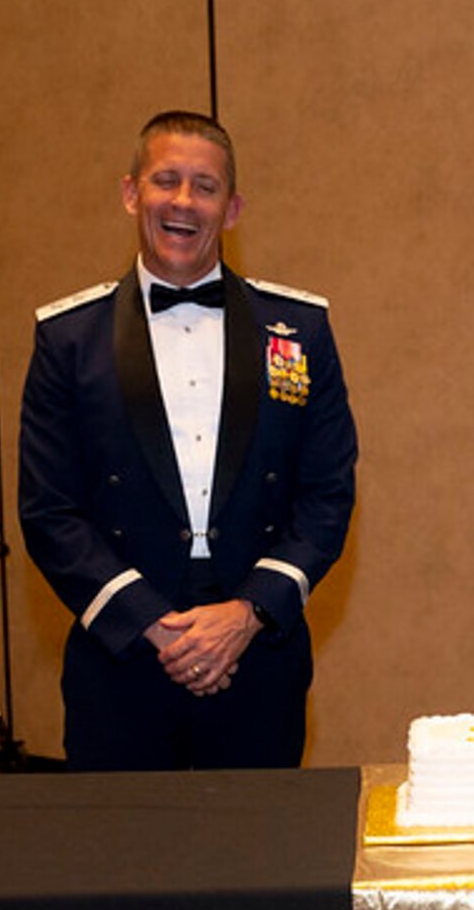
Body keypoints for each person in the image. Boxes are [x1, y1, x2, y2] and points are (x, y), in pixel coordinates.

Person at [18, 110, 357, 770]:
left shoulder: (299, 331)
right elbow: (49, 510)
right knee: (124, 865)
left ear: (232, 209)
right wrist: (157, 626)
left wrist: (248, 614)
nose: (182, 201)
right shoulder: (68, 340)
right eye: (165, 180)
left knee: (259, 861)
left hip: (257, 657)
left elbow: (327, 494)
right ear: (129, 193)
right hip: (120, 660)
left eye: (204, 187)